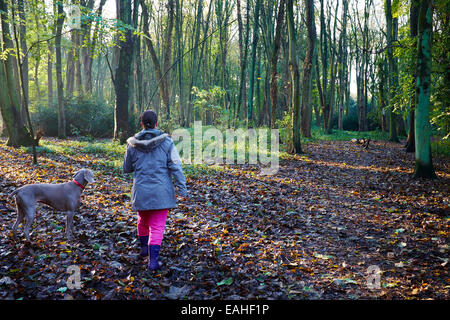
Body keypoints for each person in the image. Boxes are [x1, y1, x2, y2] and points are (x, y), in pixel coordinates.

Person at [123, 110, 187, 271]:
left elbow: (127, 168)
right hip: (161, 192)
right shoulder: (167, 143)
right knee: (157, 227)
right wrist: (182, 188)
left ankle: (144, 250)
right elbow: (176, 167)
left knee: (143, 221)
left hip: (141, 191)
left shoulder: (132, 144)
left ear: (141, 124)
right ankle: (153, 262)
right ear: (157, 124)